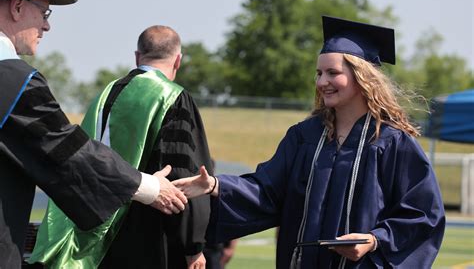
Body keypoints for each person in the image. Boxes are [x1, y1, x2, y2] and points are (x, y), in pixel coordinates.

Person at [173, 16, 446, 268]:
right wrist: (216, 185)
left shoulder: (392, 143)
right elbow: (267, 190)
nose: (322, 81)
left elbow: (423, 215)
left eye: (332, 73)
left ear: (362, 77)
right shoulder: (304, 137)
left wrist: (374, 240)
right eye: (319, 73)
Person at [0, 0, 187, 268]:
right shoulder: (10, 80)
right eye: (44, 13)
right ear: (18, 6)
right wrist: (147, 187)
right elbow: (66, 150)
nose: (46, 26)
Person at [30, 25, 213, 268]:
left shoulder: (105, 94)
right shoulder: (172, 97)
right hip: (148, 239)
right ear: (178, 60)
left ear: (137, 57)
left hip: (92, 237)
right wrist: (193, 244)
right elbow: (182, 179)